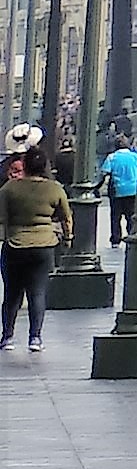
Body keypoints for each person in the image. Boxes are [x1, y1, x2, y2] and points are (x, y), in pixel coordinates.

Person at [0, 136, 60, 347]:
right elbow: (66, 216)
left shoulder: (9, 188)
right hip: (43, 245)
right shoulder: (54, 188)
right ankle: (35, 337)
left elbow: (1, 217)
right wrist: (67, 238)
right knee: (37, 292)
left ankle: (7, 336)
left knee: (12, 293)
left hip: (15, 244)